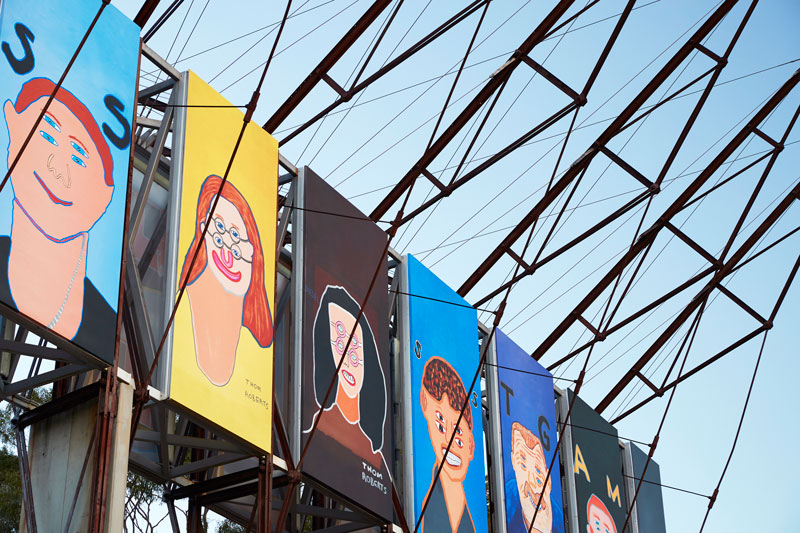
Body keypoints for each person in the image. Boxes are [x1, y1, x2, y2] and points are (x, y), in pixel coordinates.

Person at [0, 77, 116, 356]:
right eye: (48, 135)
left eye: (78, 157)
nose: (57, 168)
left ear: (106, 195)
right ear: (12, 123)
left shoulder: (105, 323)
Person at [180, 174, 273, 386]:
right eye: (220, 233)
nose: (228, 255)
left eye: (238, 240)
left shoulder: (257, 359)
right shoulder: (176, 311)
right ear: (202, 230)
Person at [307, 285, 389, 483]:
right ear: (326, 345)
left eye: (355, 345)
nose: (347, 358)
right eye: (339, 341)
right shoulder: (315, 430)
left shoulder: (376, 458)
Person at [419, 356, 476, 533]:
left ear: (471, 446)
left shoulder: (470, 520)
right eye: (440, 424)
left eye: (458, 434)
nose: (449, 441)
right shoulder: (420, 503)